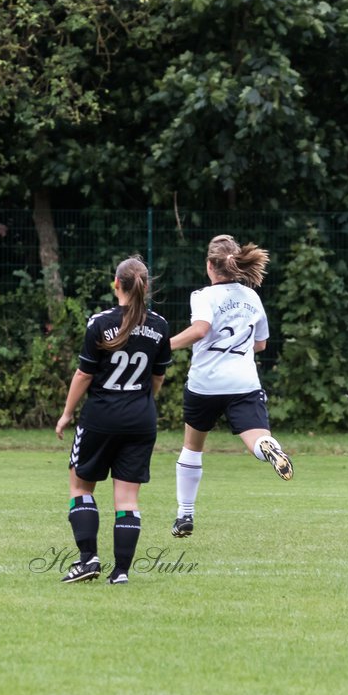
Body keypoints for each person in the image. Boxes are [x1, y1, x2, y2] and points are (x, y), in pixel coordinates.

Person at [55, 256, 173, 585]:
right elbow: (157, 379)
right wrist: (138, 402)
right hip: (141, 420)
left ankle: (87, 559)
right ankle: (120, 572)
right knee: (128, 500)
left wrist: (66, 414)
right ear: (145, 287)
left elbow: (83, 374)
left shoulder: (100, 323)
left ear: (116, 284)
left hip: (101, 417)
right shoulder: (160, 326)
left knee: (80, 486)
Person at [168, 235, 293, 540]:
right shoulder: (252, 298)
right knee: (257, 438)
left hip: (205, 384)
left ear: (210, 265)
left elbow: (200, 330)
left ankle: (185, 514)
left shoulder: (203, 295)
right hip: (243, 382)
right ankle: (270, 448)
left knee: (192, 447)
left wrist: (163, 345)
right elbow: (260, 344)